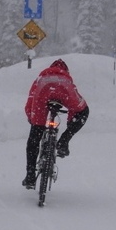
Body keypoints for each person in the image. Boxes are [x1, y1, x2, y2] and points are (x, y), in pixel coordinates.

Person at [22, 58, 89, 189]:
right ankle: (63, 142)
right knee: (84, 111)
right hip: (64, 91)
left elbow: (31, 98)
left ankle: (30, 176)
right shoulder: (66, 77)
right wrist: (70, 125)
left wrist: (33, 120)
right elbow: (75, 109)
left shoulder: (42, 75)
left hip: (43, 93)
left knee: (34, 139)